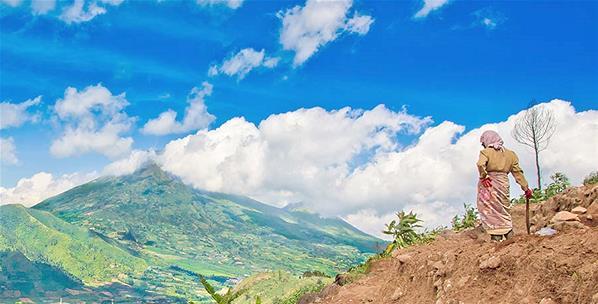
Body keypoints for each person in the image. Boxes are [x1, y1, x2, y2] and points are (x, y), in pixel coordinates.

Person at [476, 130, 533, 241]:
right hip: (504, 183)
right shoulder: (511, 154)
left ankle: (496, 236)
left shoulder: (486, 152)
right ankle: (509, 234)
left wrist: (484, 177)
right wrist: (526, 188)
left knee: (491, 209)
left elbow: (480, 164)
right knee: (503, 208)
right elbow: (517, 173)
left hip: (490, 184)